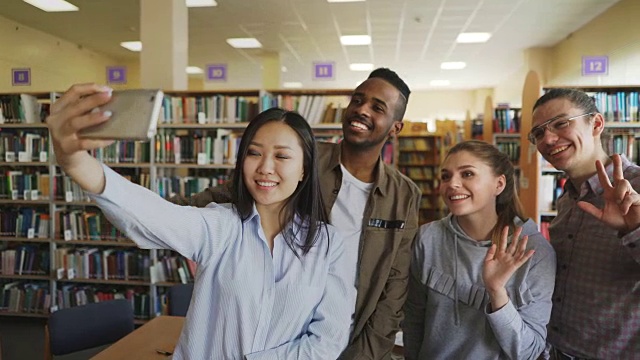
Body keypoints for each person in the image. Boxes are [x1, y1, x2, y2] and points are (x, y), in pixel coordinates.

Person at [46, 87, 355, 359]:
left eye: (282, 156)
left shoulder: (328, 245)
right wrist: (75, 161)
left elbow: (328, 339)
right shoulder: (221, 226)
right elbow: (150, 214)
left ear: (304, 168)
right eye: (254, 153)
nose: (265, 168)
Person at [171, 68, 422, 359]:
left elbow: (395, 285)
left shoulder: (404, 195)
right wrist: (152, 209)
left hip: (356, 342)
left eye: (377, 107)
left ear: (395, 128)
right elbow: (229, 195)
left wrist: (366, 354)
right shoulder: (303, 158)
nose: (362, 110)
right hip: (286, 341)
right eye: (357, 100)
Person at [403, 140, 556, 359]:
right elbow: (414, 320)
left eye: (467, 174)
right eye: (446, 176)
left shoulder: (533, 250)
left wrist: (496, 292)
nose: (452, 184)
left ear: (499, 184)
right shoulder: (428, 238)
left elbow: (528, 352)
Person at [529, 88, 640, 359]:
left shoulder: (636, 189)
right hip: (553, 349)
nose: (549, 139)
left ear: (596, 124)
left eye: (561, 123)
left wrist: (634, 230)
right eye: (539, 133)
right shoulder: (567, 199)